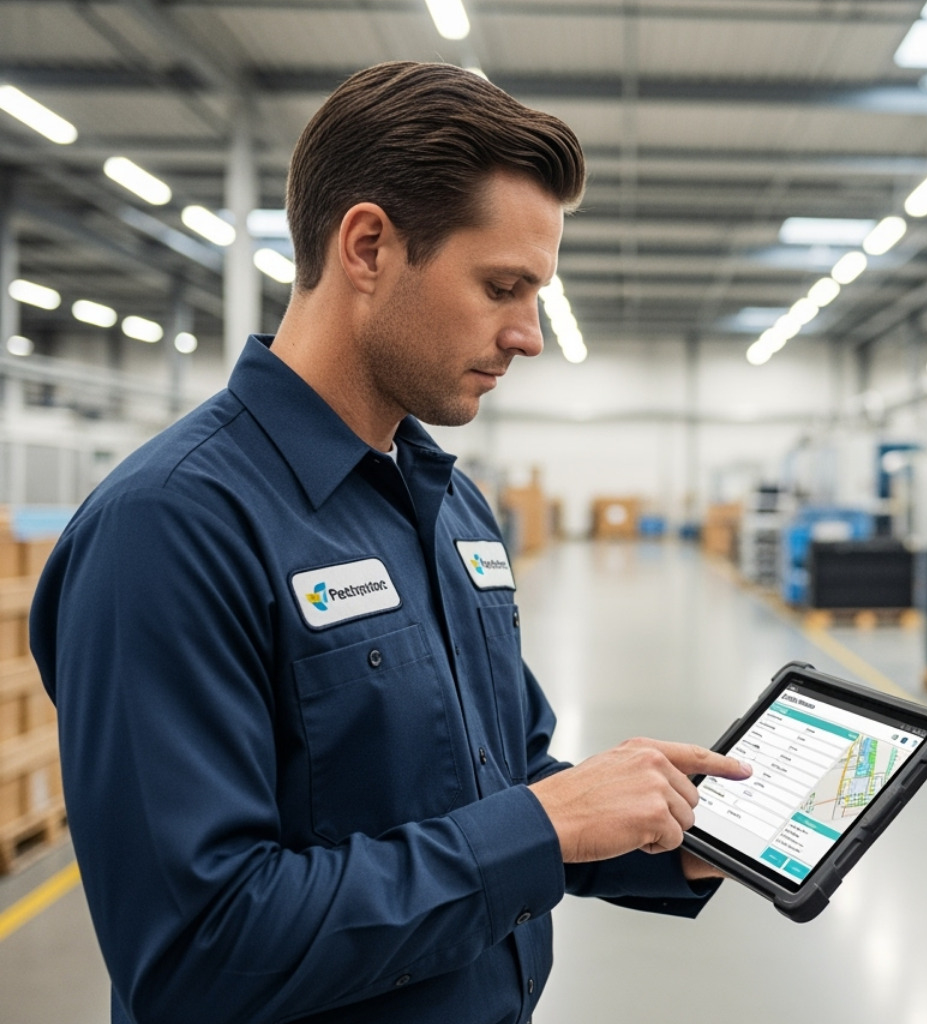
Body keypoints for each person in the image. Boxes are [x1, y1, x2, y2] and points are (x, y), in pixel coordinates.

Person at [30, 60, 751, 1024]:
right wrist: (540, 827)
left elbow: (507, 778)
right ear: (368, 246)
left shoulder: (451, 508)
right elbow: (197, 950)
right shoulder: (170, 529)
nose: (529, 335)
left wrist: (674, 838)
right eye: (503, 285)